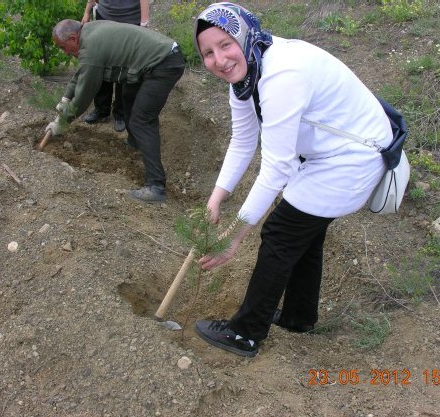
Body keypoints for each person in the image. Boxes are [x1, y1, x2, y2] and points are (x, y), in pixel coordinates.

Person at [192, 2, 394, 357]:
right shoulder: (246, 74)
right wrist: (216, 199)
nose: (219, 60)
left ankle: (245, 333)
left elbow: (275, 170)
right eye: (208, 53)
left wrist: (235, 237)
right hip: (326, 157)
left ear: (244, 34)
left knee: (281, 232)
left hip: (353, 159)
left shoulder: (280, 76)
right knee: (304, 233)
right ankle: (299, 317)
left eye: (225, 44)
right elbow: (242, 141)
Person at [46, 19, 185, 202]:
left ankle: (156, 187)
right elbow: (81, 72)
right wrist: (65, 98)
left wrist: (62, 121)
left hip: (163, 64)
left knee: (142, 120)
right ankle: (135, 144)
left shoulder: (91, 47)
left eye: (64, 47)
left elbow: (85, 93)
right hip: (156, 58)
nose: (65, 52)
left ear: (73, 38)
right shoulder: (89, 33)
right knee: (128, 96)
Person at [80, 0, 150, 132]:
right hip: (104, 17)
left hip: (130, 20)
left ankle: (121, 113)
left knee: (124, 66)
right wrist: (87, 11)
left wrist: (144, 24)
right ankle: (101, 110)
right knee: (102, 62)